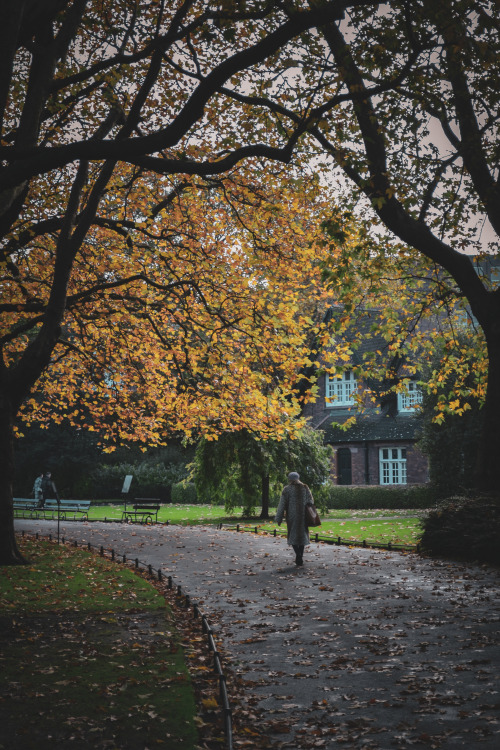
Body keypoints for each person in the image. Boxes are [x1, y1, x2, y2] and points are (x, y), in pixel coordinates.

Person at [274, 471, 314, 566]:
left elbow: (282, 504)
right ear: (298, 478)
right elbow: (311, 501)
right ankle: (300, 556)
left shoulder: (287, 489)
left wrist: (279, 518)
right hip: (303, 515)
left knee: (292, 535)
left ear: (289, 479)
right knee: (302, 536)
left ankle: (298, 554)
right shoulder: (305, 487)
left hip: (292, 516)